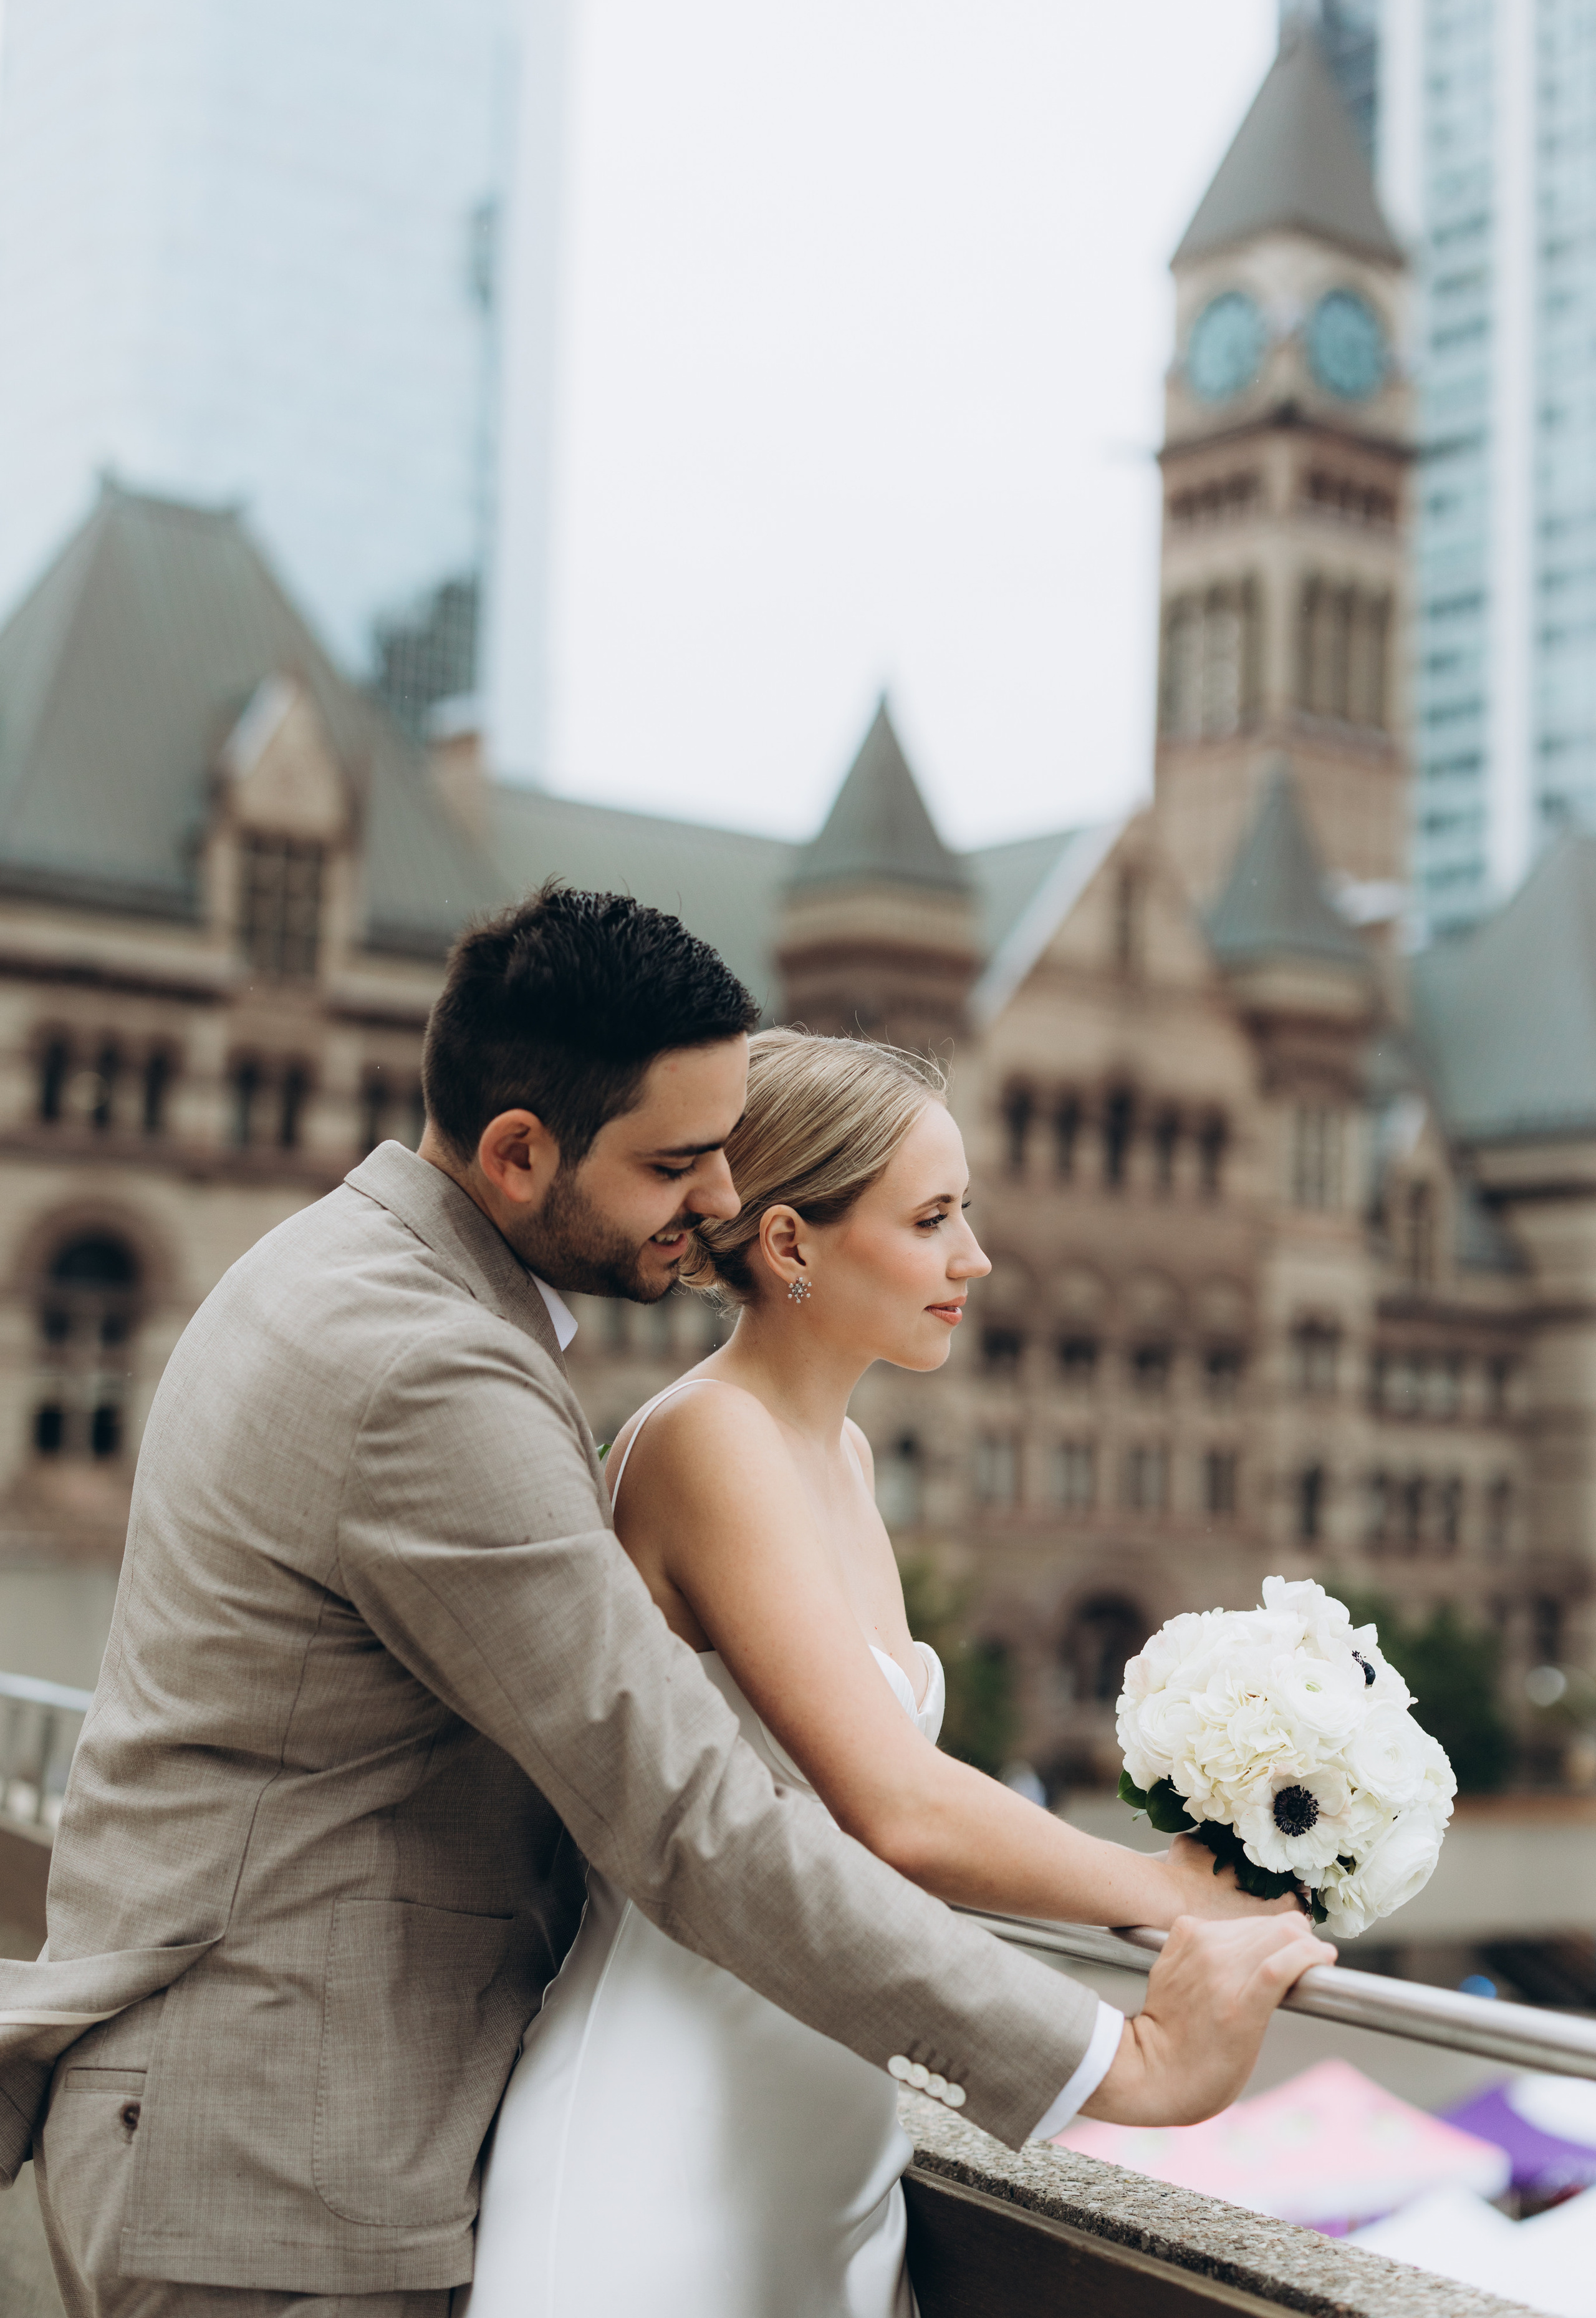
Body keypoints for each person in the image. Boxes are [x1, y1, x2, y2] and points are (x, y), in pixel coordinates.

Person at [1, 890, 1331, 2318]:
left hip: (260, 2129)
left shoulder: (335, 1268)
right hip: (272, 2167)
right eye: (676, 1162)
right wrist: (1106, 2056)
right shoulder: (426, 1373)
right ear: (518, 1155)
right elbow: (690, 1817)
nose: (717, 1205)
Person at [465, 1026, 1334, 2318]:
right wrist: (1169, 1892)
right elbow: (897, 1812)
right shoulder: (704, 1440)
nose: (970, 1259)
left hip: (826, 2158)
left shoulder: (845, 1459)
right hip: (655, 2154)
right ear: (789, 1245)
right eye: (930, 1220)